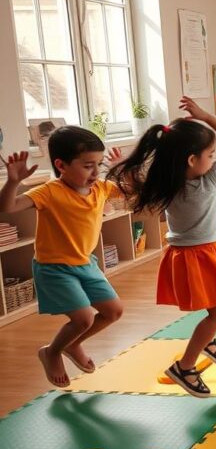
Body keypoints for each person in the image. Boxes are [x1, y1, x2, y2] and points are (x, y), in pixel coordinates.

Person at [106, 97, 216, 397]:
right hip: (194, 256)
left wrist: (125, 170)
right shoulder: (207, 180)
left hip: (209, 251)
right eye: (210, 154)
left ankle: (207, 339)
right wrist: (208, 118)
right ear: (191, 160)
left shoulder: (168, 182)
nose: (214, 158)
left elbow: (133, 187)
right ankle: (184, 367)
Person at [0, 131, 125, 388]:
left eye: (98, 165)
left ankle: (73, 344)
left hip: (86, 263)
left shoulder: (100, 188)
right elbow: (8, 208)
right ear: (61, 165)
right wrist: (12, 182)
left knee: (113, 312)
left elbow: (128, 190)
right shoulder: (49, 191)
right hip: (54, 268)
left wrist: (118, 169)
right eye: (88, 166)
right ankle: (52, 351)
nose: (95, 173)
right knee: (83, 318)